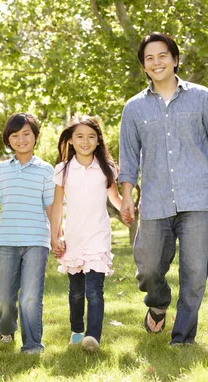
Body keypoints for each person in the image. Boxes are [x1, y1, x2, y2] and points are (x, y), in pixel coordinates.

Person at [119, 32, 208, 345]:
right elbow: (129, 158)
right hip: (155, 201)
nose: (157, 62)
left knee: (195, 275)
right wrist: (126, 197)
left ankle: (182, 340)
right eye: (150, 58)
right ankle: (158, 303)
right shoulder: (133, 109)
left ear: (175, 60)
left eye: (163, 55)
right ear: (144, 67)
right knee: (147, 268)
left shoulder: (201, 97)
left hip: (196, 199)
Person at [0, 113, 54, 354]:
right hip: (7, 240)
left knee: (30, 296)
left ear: (35, 137)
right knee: (3, 296)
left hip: (37, 241)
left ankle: (33, 344)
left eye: (26, 133)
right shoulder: (2, 169)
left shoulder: (46, 170)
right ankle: (6, 330)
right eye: (15, 135)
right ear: (9, 140)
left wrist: (58, 235)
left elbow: (51, 207)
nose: (21, 139)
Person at [50, 116, 122, 353]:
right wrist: (55, 236)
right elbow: (57, 205)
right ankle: (77, 332)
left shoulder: (106, 168)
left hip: (98, 236)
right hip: (74, 237)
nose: (85, 141)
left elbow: (115, 198)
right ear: (70, 140)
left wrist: (127, 209)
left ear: (98, 141)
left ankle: (93, 337)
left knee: (94, 290)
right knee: (77, 292)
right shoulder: (63, 170)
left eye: (91, 136)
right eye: (79, 136)